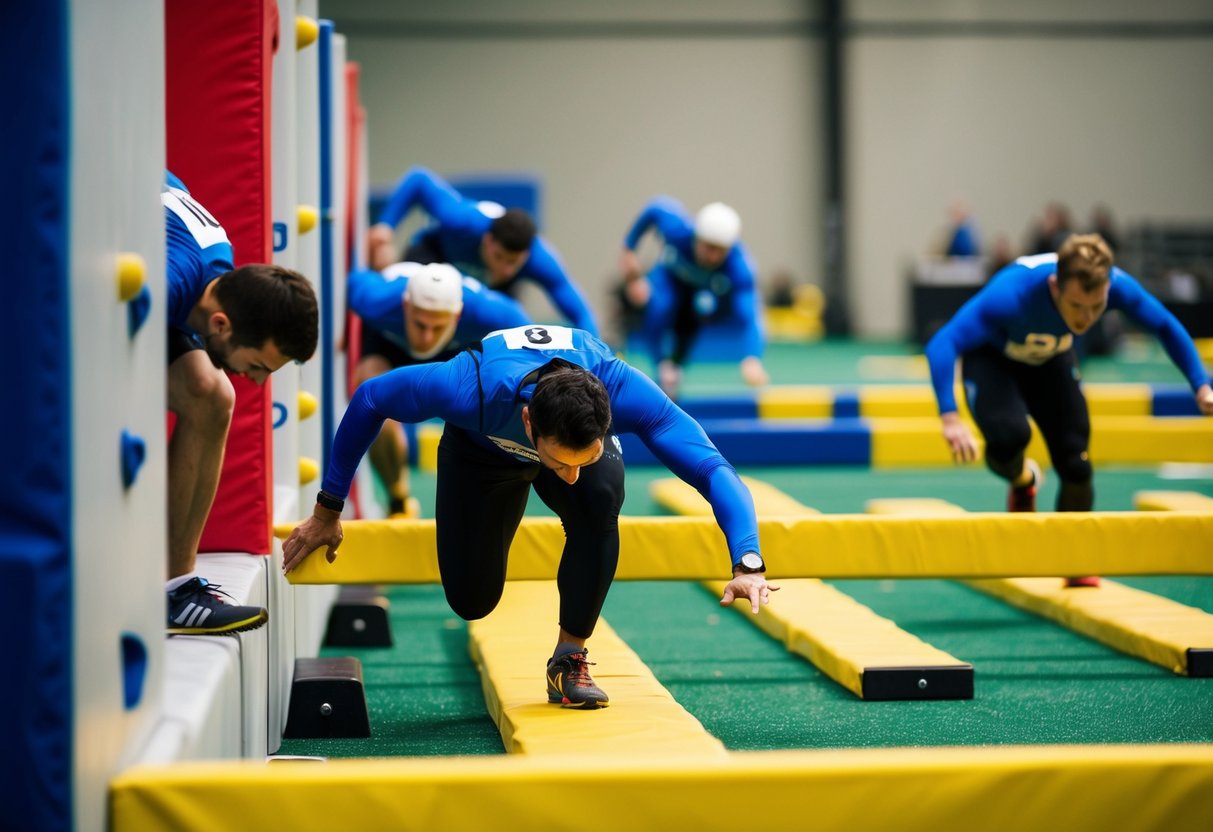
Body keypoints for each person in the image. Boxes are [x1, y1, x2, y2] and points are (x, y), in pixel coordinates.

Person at [282, 324, 778, 709]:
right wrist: (328, 508)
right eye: (559, 462)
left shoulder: (622, 389)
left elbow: (713, 468)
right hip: (482, 452)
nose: (568, 477)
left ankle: (569, 658)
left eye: (580, 458)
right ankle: (511, 491)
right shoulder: (465, 387)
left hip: (561, 431)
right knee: (471, 599)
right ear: (527, 422)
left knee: (598, 496)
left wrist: (748, 560)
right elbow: (370, 397)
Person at [925, 233, 1213, 588]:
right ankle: (1023, 482)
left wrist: (1201, 384)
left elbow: (1165, 325)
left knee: (1076, 461)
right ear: (1054, 286)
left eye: (1097, 306)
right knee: (1010, 436)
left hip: (1050, 359)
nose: (1086, 318)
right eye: (1076, 306)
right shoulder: (1011, 295)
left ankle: (1073, 558)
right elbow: (944, 341)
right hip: (993, 362)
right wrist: (950, 417)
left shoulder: (1117, 285)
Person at [163, 171, 319, 633]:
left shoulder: (215, 277)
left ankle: (176, 587)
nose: (255, 381)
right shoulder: (171, 282)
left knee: (215, 396)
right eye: (257, 365)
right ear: (221, 323)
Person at [348, 260, 531, 517]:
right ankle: (397, 498)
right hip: (388, 346)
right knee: (369, 385)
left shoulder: (487, 312)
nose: (427, 338)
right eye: (420, 324)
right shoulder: (375, 301)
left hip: (455, 353)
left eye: (437, 327)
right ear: (406, 305)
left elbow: (532, 342)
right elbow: (352, 278)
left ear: (457, 316)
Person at [367, 166, 599, 336]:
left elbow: (580, 313)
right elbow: (419, 180)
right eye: (499, 257)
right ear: (487, 241)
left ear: (526, 256)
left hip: (480, 296)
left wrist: (598, 356)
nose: (505, 269)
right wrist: (385, 227)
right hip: (433, 258)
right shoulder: (463, 222)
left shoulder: (539, 260)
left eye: (514, 262)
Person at [619, 196, 768, 399]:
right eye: (707, 246)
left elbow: (749, 315)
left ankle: (675, 366)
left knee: (702, 309)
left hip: (699, 296)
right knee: (660, 305)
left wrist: (752, 357)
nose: (712, 256)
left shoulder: (739, 268)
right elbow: (655, 208)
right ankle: (661, 365)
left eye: (719, 250)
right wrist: (629, 248)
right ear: (697, 237)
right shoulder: (677, 231)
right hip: (667, 280)